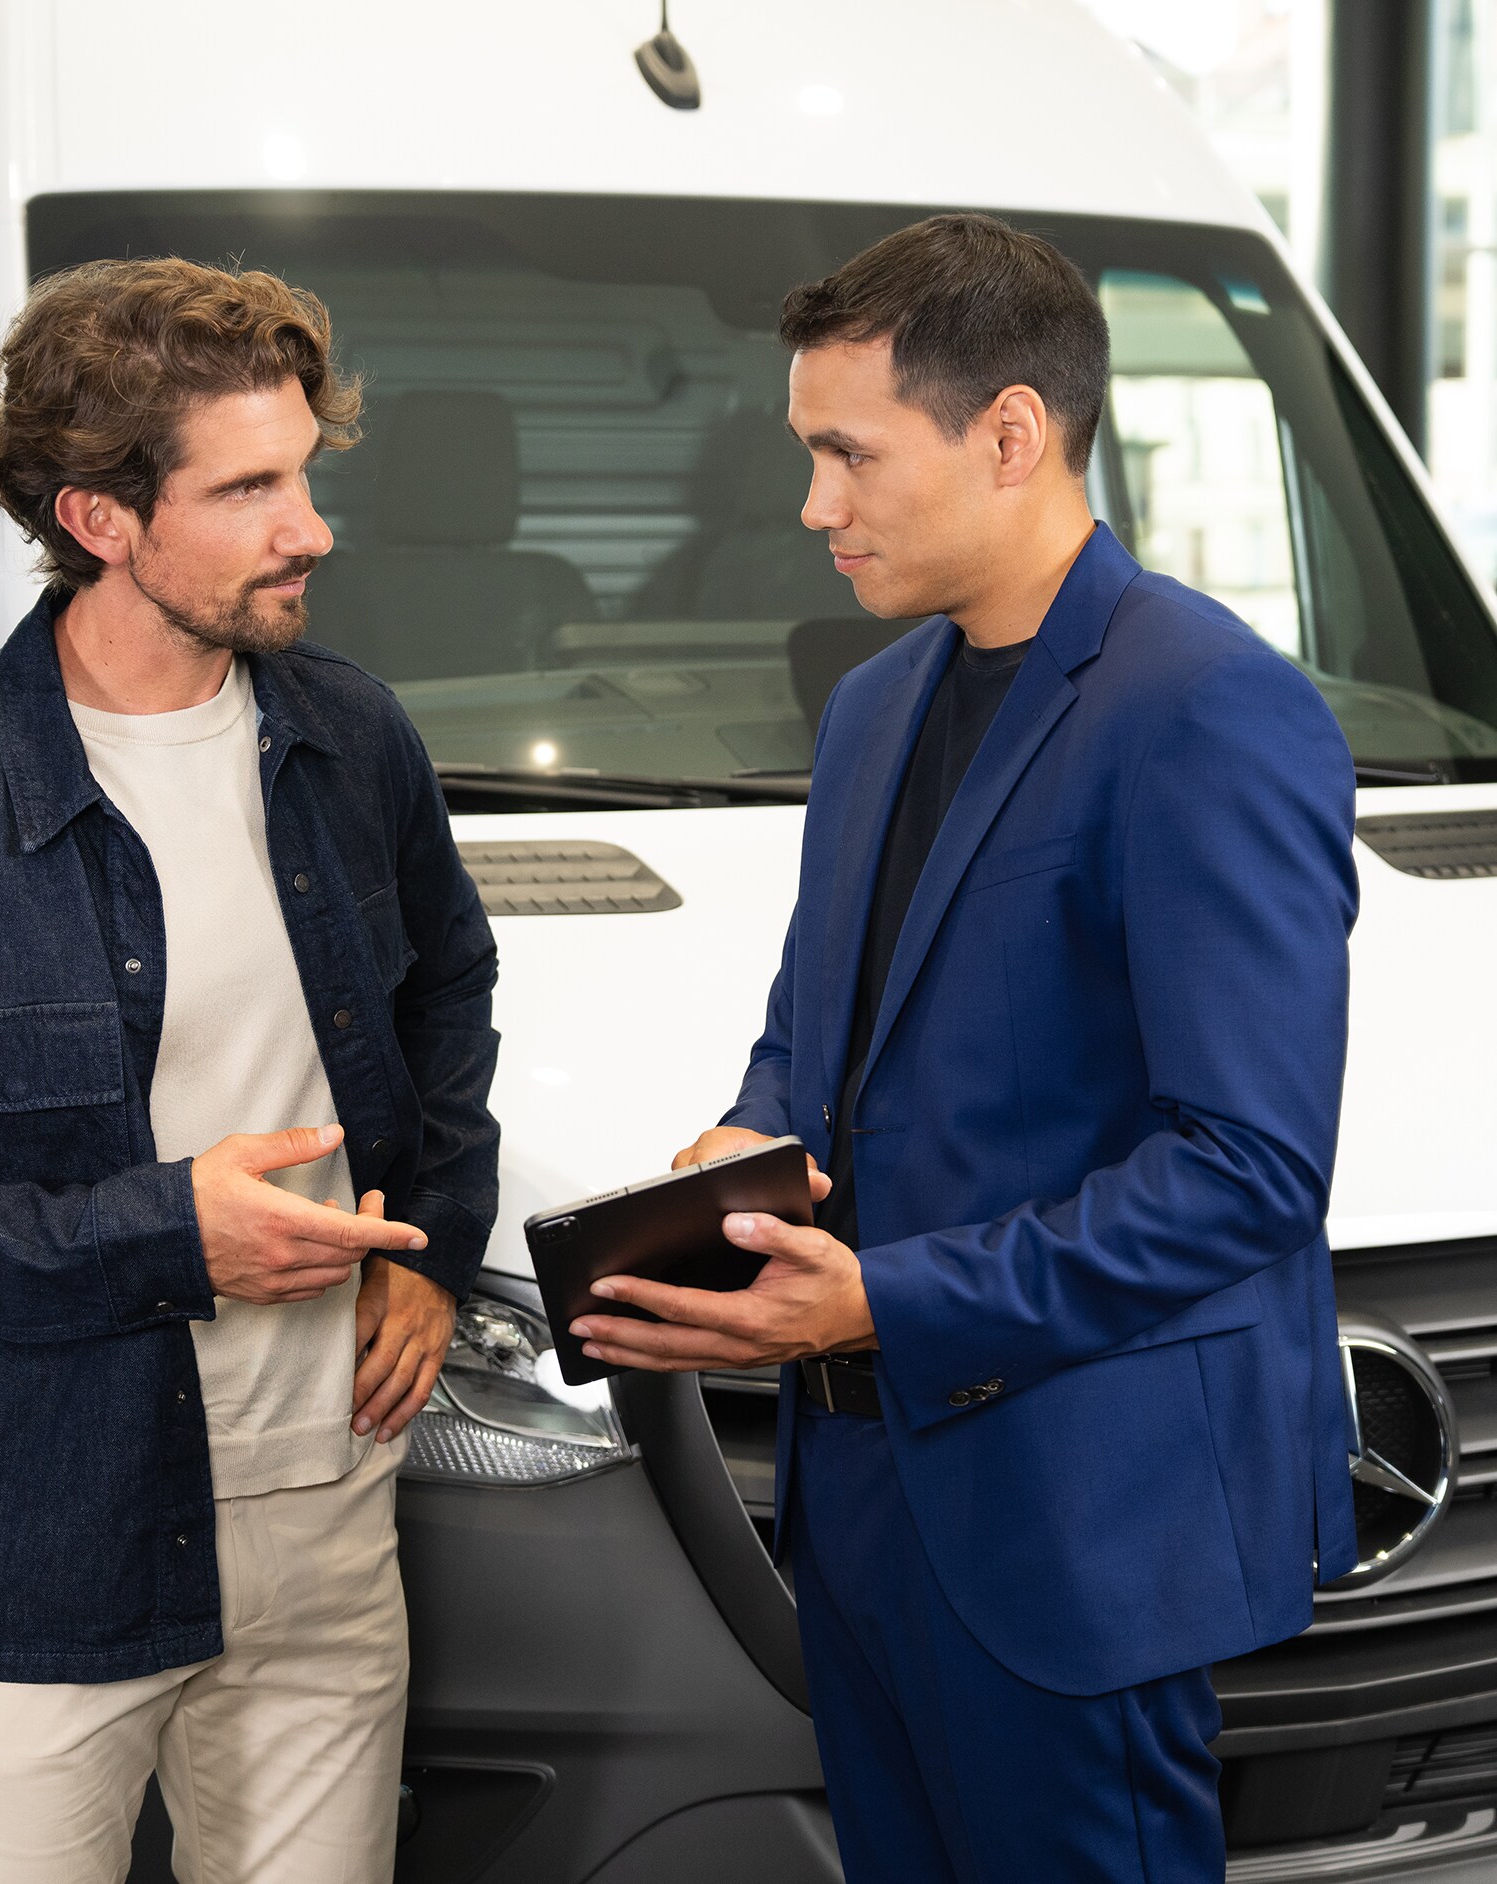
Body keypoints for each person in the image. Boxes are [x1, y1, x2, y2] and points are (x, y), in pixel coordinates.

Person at [570, 213, 1358, 1881]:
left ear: (1010, 433)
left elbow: (1248, 1173)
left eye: (846, 454)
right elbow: (814, 1039)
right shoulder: (871, 710)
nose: (812, 508)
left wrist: (885, 1301)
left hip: (1080, 1527)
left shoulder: (1209, 706)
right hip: (867, 1515)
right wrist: (743, 1149)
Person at [0, 257, 501, 1884]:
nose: (313, 528)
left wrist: (433, 1239)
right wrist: (165, 1235)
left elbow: (449, 992)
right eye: (251, 490)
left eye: (305, 473)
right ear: (101, 520)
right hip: (40, 1547)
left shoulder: (353, 742)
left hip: (325, 1517)